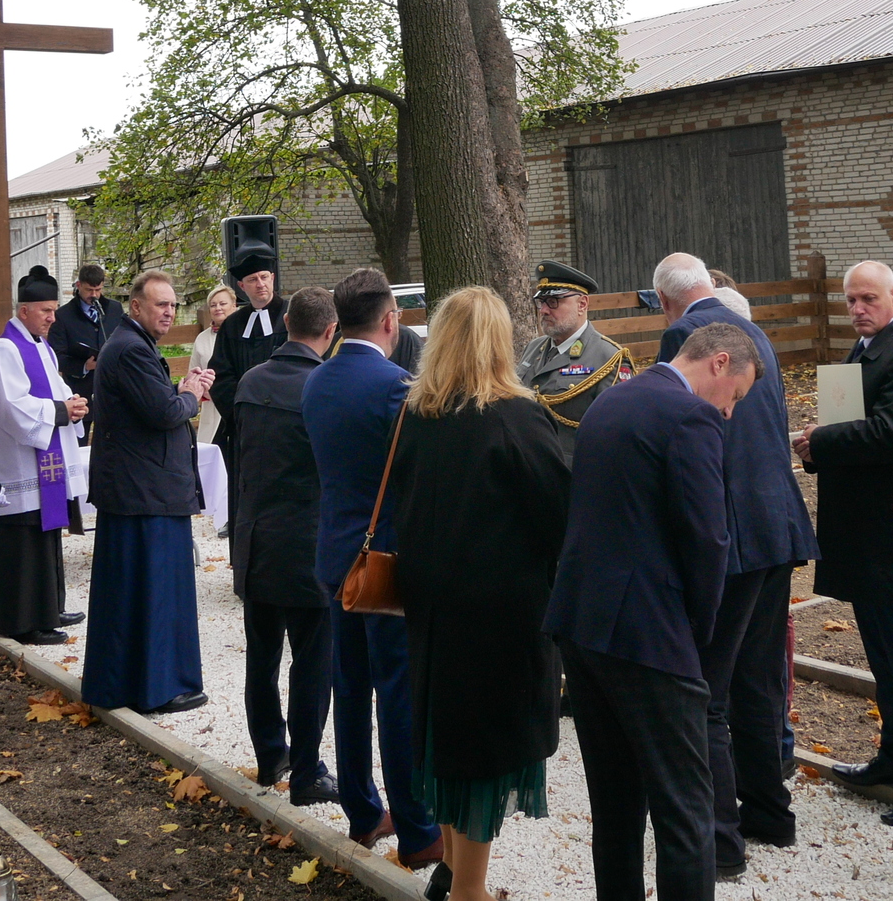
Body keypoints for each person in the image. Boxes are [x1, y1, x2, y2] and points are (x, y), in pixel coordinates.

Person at [546, 321, 754, 901]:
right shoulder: (691, 417)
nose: (730, 411)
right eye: (736, 395)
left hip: (583, 624)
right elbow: (708, 539)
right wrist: (698, 631)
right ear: (718, 362)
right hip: (650, 634)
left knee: (615, 808)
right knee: (685, 812)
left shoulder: (610, 400)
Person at [394, 286, 572, 901]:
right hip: (498, 615)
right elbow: (559, 515)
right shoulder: (515, 416)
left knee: (446, 741)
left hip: (431, 606)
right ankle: (469, 891)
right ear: (499, 342)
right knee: (481, 756)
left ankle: (455, 872)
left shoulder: (417, 413)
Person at [654, 252, 816, 877]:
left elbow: (687, 433)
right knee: (760, 680)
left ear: (665, 301)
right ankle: (771, 813)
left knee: (710, 692)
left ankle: (720, 840)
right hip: (776, 525)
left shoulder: (684, 336)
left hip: (732, 534)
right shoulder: (754, 332)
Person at [795, 261, 893, 823]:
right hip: (863, 525)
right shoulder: (866, 349)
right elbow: (851, 421)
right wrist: (818, 447)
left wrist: (821, 440)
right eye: (851, 300)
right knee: (884, 652)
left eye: (868, 298)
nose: (858, 309)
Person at [301, 267, 443, 869]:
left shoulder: (316, 380)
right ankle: (417, 828)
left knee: (351, 688)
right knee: (397, 694)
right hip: (383, 560)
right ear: (391, 320)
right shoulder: (396, 387)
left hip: (335, 553)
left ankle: (363, 810)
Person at [83, 268, 213, 713]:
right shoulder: (131, 349)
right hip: (145, 494)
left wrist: (180, 390)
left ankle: (126, 685)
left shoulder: (130, 344)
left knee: (131, 596)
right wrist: (190, 394)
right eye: (161, 304)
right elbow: (164, 413)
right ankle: (159, 688)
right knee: (154, 595)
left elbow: (148, 403)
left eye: (173, 305)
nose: (169, 312)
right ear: (136, 306)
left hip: (138, 490)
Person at [227, 285, 339, 800]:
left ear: (286, 322)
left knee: (263, 657)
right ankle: (307, 769)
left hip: (256, 539)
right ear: (331, 331)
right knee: (312, 663)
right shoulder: (323, 387)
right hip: (306, 544)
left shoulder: (250, 381)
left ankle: (271, 755)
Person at [0, 265, 90, 647]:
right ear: (24, 310)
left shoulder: (41, 346)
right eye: (46, 310)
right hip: (20, 465)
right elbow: (10, 407)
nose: (52, 318)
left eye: (54, 310)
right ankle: (23, 621)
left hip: (45, 465)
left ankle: (48, 609)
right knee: (23, 545)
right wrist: (60, 411)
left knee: (46, 536)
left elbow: (57, 388)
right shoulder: (5, 349)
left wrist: (73, 403)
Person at [515, 261, 635, 459]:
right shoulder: (534, 348)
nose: (543, 310)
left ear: (582, 304)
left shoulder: (609, 358)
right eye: (541, 302)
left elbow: (618, 433)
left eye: (553, 301)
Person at [209, 247, 286, 461]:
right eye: (252, 279)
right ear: (242, 286)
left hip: (284, 421)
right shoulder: (232, 325)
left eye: (264, 277)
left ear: (272, 278)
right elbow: (220, 374)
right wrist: (242, 413)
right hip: (243, 425)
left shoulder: (291, 316)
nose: (260, 284)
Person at [50, 263, 127, 400]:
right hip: (81, 391)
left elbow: (125, 340)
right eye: (89, 290)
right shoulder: (62, 316)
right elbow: (56, 356)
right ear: (78, 285)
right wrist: (84, 366)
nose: (94, 295)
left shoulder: (115, 309)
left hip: (113, 387)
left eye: (98, 290)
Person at [191, 285, 238, 442]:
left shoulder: (244, 335)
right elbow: (193, 374)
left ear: (234, 305)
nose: (218, 308)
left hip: (238, 406)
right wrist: (203, 390)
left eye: (223, 303)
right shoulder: (202, 339)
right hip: (212, 408)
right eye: (213, 305)